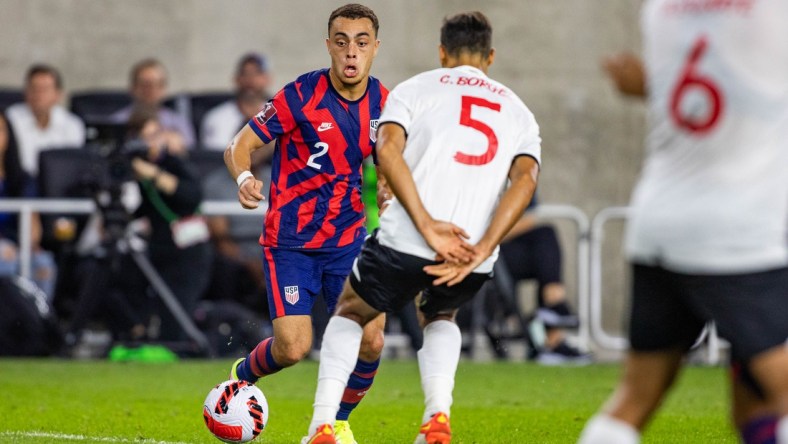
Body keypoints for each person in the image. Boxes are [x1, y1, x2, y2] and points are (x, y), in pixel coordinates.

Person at [304, 11, 542, 443]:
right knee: (440, 312)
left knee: (352, 311)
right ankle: (436, 418)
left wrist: (427, 225)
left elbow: (388, 152)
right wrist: (484, 246)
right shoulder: (518, 110)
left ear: (442, 52)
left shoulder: (415, 88)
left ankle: (322, 425)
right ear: (490, 56)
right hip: (472, 249)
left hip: (410, 235)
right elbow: (525, 181)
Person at [579, 2, 788, 443]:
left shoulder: (662, 11)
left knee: (635, 397)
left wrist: (651, 87)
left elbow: (713, 83)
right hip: (740, 232)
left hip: (659, 225)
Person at [223, 5, 388, 443]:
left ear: (375, 48)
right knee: (293, 348)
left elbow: (391, 168)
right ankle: (241, 375)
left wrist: (391, 208)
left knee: (372, 340)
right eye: (341, 41)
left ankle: (336, 423)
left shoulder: (384, 104)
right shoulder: (300, 95)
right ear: (329, 45)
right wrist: (243, 177)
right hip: (290, 242)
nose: (351, 52)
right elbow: (239, 145)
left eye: (361, 41)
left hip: (348, 240)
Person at [490, 194, 590, 364]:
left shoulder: (521, 171)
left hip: (500, 250)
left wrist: (495, 233)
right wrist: (491, 236)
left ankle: (553, 322)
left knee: (545, 239)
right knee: (544, 241)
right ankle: (554, 314)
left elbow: (529, 220)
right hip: (477, 254)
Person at [0, 113, 57, 299]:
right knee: (4, 259)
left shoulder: (23, 179)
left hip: (17, 245)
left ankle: (37, 322)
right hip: (3, 249)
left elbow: (33, 228)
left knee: (43, 263)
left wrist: (23, 246)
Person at [5, 64, 85, 176]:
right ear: (26, 92)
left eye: (45, 89)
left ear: (58, 94)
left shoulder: (72, 124)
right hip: (21, 184)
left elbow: (72, 165)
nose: (38, 95)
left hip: (59, 183)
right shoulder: (11, 119)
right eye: (34, 88)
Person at [111, 58, 195, 149]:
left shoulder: (179, 123)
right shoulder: (117, 121)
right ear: (133, 88)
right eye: (146, 85)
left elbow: (191, 153)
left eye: (158, 85)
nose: (152, 91)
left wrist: (170, 140)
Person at [200, 53, 273, 151]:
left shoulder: (280, 116)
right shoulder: (217, 118)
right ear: (236, 79)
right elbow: (215, 159)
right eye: (245, 74)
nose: (250, 80)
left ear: (267, 79)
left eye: (257, 74)